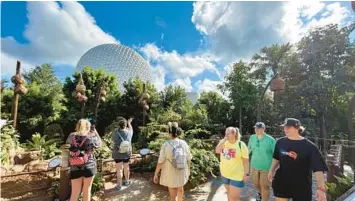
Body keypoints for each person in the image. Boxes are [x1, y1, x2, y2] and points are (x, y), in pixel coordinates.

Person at [268, 118, 328, 201]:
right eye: (284, 127)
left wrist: (321, 189)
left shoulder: (310, 147)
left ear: (297, 128)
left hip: (302, 185)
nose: (285, 129)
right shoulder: (280, 142)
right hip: (282, 181)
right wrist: (271, 170)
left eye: (288, 127)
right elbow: (276, 157)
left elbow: (318, 169)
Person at [153, 122, 192, 201]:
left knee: (172, 195)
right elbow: (188, 158)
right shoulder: (183, 143)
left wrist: (156, 174)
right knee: (180, 188)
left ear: (169, 133)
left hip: (170, 171)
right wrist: (189, 169)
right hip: (182, 169)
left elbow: (160, 162)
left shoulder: (166, 145)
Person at [66, 119, 102, 201]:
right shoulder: (91, 136)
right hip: (89, 166)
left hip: (75, 166)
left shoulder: (71, 136)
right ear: (88, 127)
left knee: (75, 192)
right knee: (87, 190)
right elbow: (99, 144)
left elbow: (68, 147)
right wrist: (95, 132)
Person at [215, 127, 249, 201]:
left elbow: (246, 161)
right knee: (229, 195)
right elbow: (217, 151)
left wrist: (246, 174)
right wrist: (223, 140)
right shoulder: (223, 143)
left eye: (228, 133)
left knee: (234, 198)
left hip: (237, 175)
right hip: (225, 174)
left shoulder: (241, 145)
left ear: (234, 134)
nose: (226, 135)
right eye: (225, 133)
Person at [248, 122, 276, 201]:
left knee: (265, 186)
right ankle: (261, 193)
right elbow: (249, 149)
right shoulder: (252, 137)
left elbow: (276, 154)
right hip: (254, 165)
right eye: (256, 128)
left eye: (259, 128)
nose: (257, 130)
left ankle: (264, 197)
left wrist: (273, 168)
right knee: (255, 184)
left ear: (264, 129)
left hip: (266, 167)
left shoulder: (270, 140)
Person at [112, 117, 134, 190]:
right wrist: (129, 123)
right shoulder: (129, 132)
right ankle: (127, 181)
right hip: (127, 153)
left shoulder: (115, 133)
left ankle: (119, 185)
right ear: (125, 125)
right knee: (126, 167)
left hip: (117, 153)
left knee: (119, 170)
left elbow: (114, 141)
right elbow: (131, 128)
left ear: (119, 125)